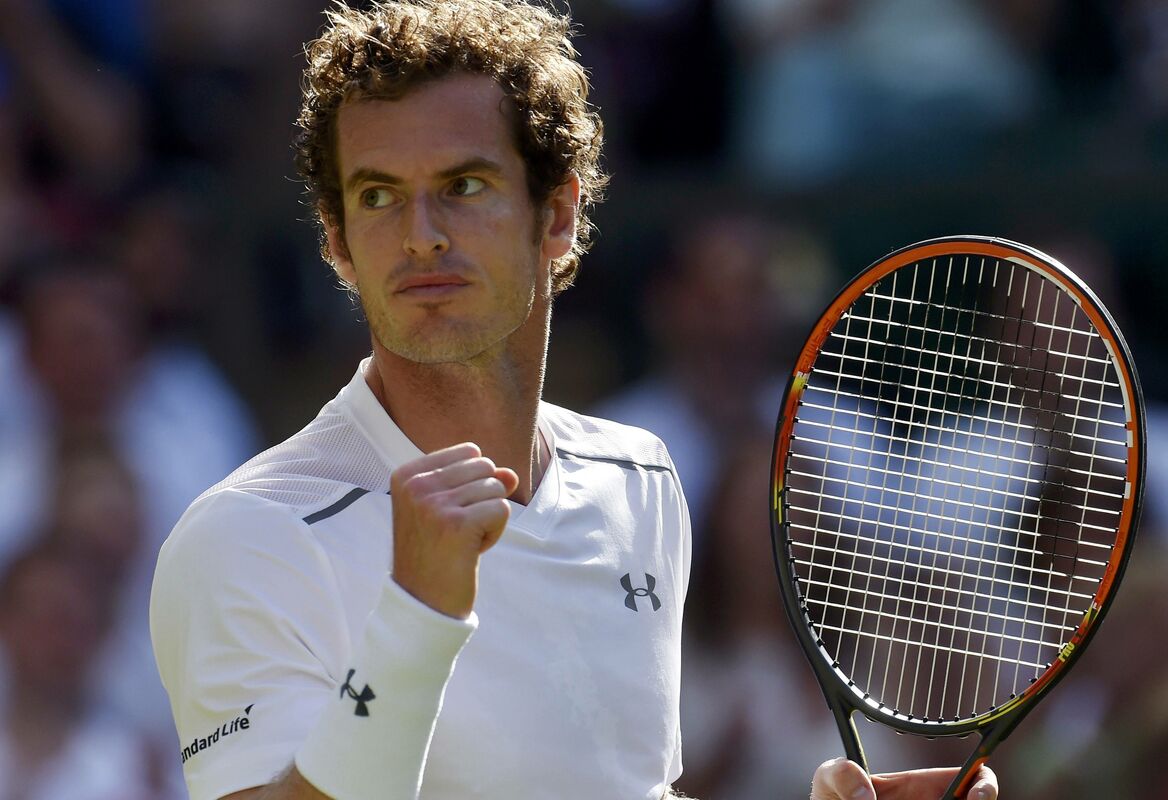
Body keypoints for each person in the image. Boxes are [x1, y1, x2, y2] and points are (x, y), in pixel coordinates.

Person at [148, 2, 1000, 799]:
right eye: (378, 196)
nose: (421, 235)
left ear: (557, 216)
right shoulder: (245, 537)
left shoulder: (640, 481)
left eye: (464, 186)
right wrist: (417, 613)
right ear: (337, 243)